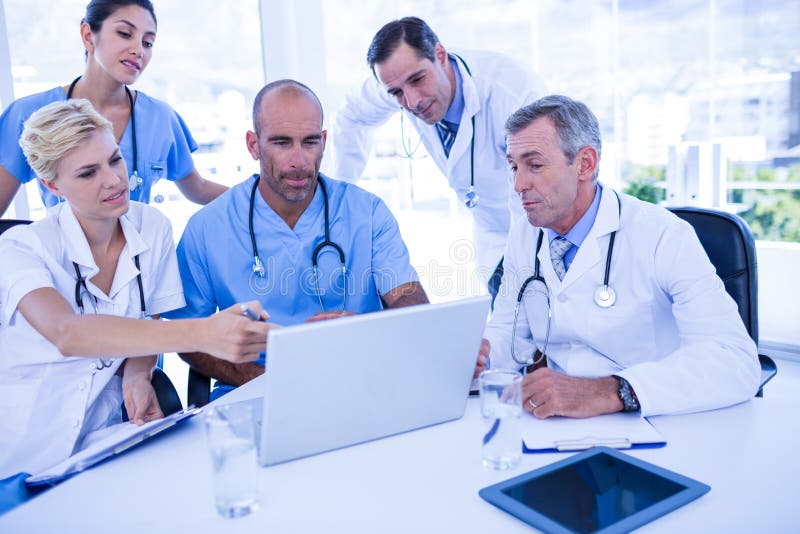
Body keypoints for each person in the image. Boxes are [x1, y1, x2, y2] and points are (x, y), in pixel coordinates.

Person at [0, 99, 272, 479]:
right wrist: (206, 332)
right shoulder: (21, 249)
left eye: (114, 159)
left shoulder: (152, 228)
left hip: (104, 436)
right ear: (51, 184)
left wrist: (138, 373)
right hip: (21, 449)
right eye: (87, 173)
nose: (113, 180)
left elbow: (149, 316)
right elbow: (67, 332)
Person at [477, 95, 760, 418]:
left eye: (535, 165)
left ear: (585, 163)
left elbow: (735, 360)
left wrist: (613, 390)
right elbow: (509, 334)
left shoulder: (663, 235)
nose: (517, 184)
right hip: (554, 420)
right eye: (513, 166)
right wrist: (482, 356)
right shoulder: (525, 234)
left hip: (656, 418)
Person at [165, 79, 428, 400]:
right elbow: (188, 337)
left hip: (359, 380)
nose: (299, 160)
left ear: (324, 141)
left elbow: (412, 305)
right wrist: (254, 376)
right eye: (281, 142)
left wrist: (367, 332)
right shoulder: (206, 228)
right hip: (254, 390)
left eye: (310, 142)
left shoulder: (367, 213)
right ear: (253, 145)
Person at [331, 17, 547, 298]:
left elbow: (540, 186)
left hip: (546, 234)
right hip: (495, 243)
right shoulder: (399, 80)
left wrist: (525, 278)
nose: (412, 102)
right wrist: (340, 203)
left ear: (440, 55)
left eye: (418, 80)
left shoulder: (512, 92)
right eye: (397, 93)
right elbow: (351, 118)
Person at [0, 0, 227, 217]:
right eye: (125, 34)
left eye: (147, 43)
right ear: (88, 36)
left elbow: (198, 189)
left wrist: (258, 193)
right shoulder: (27, 114)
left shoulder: (160, 118)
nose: (139, 50)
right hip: (62, 256)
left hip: (140, 254)